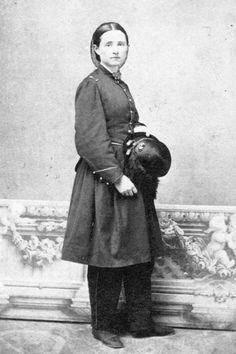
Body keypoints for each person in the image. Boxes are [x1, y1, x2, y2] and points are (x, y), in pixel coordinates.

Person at [61, 22, 174, 349]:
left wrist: (140, 129)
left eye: (121, 44)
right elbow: (88, 140)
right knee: (107, 254)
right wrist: (117, 177)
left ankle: (141, 324)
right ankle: (103, 326)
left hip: (132, 176)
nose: (115, 49)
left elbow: (122, 125)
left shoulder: (118, 84)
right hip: (106, 179)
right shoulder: (92, 85)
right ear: (96, 49)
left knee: (140, 253)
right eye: (108, 44)